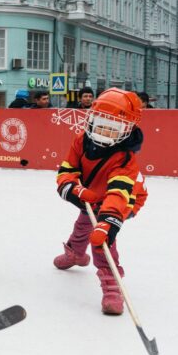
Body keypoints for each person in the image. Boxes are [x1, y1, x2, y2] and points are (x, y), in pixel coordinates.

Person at [54, 88, 147, 315]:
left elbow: (118, 192)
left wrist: (108, 221)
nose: (104, 130)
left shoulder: (125, 158)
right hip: (93, 195)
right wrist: (73, 187)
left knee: (101, 238)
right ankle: (76, 252)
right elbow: (67, 169)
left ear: (126, 130)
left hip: (124, 199)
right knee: (84, 222)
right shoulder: (81, 140)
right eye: (100, 122)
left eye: (113, 127)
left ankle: (112, 284)